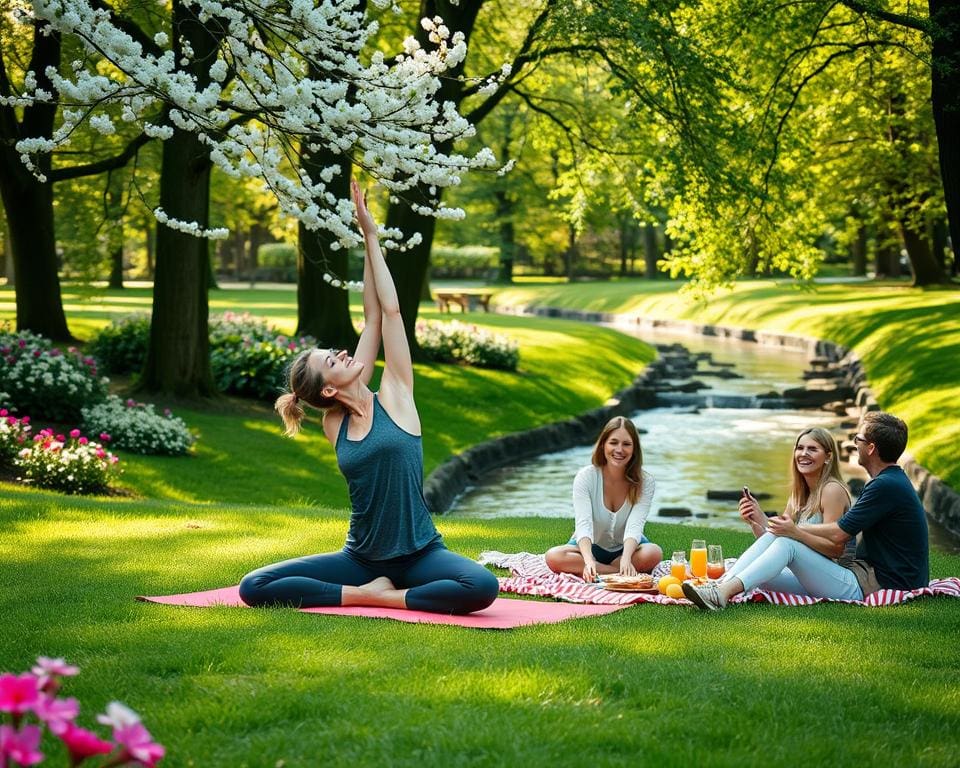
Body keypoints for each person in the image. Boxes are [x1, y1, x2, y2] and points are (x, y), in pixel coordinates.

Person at [239, 181, 499, 615]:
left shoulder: (396, 395)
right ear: (328, 389)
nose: (343, 352)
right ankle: (366, 594)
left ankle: (388, 597)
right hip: (359, 560)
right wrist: (364, 587)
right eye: (333, 359)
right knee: (255, 585)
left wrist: (370, 237)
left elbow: (381, 313)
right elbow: (373, 318)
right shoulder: (333, 423)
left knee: (481, 585)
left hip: (419, 554)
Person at [684, 412, 929, 611]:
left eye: (858, 439)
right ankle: (716, 590)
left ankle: (721, 594)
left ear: (871, 448)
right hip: (858, 577)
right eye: (799, 448)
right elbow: (775, 542)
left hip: (871, 583)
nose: (855, 444)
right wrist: (758, 520)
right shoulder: (886, 482)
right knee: (760, 571)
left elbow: (838, 538)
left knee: (787, 543)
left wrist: (794, 531)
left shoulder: (881, 485)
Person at [544, 416, 662, 582]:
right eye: (613, 442)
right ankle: (617, 573)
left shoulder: (645, 482)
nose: (619, 450)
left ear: (634, 448)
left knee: (654, 552)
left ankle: (604, 572)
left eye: (626, 444)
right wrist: (588, 560)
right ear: (603, 445)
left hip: (626, 548)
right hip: (589, 546)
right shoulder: (586, 477)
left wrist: (627, 558)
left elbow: (635, 525)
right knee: (553, 557)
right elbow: (583, 524)